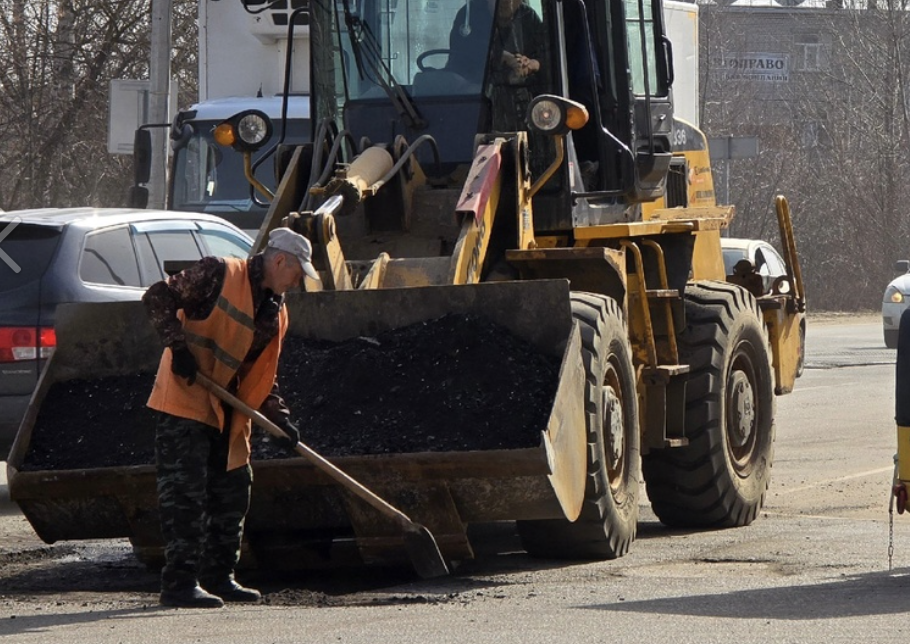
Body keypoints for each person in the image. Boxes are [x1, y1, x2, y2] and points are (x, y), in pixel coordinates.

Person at [142, 227, 320, 609]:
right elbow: (157, 297)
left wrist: (280, 418)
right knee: (185, 496)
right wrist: (178, 348)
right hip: (185, 400)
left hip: (228, 410)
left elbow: (261, 375)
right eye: (297, 271)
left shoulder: (277, 312)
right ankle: (179, 583)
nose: (299, 280)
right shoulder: (219, 274)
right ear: (278, 261)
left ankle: (220, 577)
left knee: (234, 490)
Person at [447, 0, 548, 130]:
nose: (507, 2)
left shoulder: (528, 16)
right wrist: (504, 57)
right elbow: (464, 49)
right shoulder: (468, 16)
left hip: (521, 107)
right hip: (477, 102)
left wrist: (532, 64)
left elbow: (547, 54)